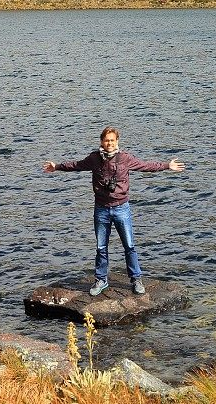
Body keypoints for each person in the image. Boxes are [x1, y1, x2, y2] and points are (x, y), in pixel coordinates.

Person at [43, 127, 185, 296]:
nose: (109, 143)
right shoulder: (94, 158)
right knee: (101, 247)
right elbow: (76, 165)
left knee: (129, 246)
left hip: (121, 208)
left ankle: (136, 279)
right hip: (101, 209)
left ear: (117, 141)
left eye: (112, 140)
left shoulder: (125, 158)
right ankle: (101, 280)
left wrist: (166, 166)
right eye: (106, 140)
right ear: (101, 142)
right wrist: (57, 167)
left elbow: (146, 166)